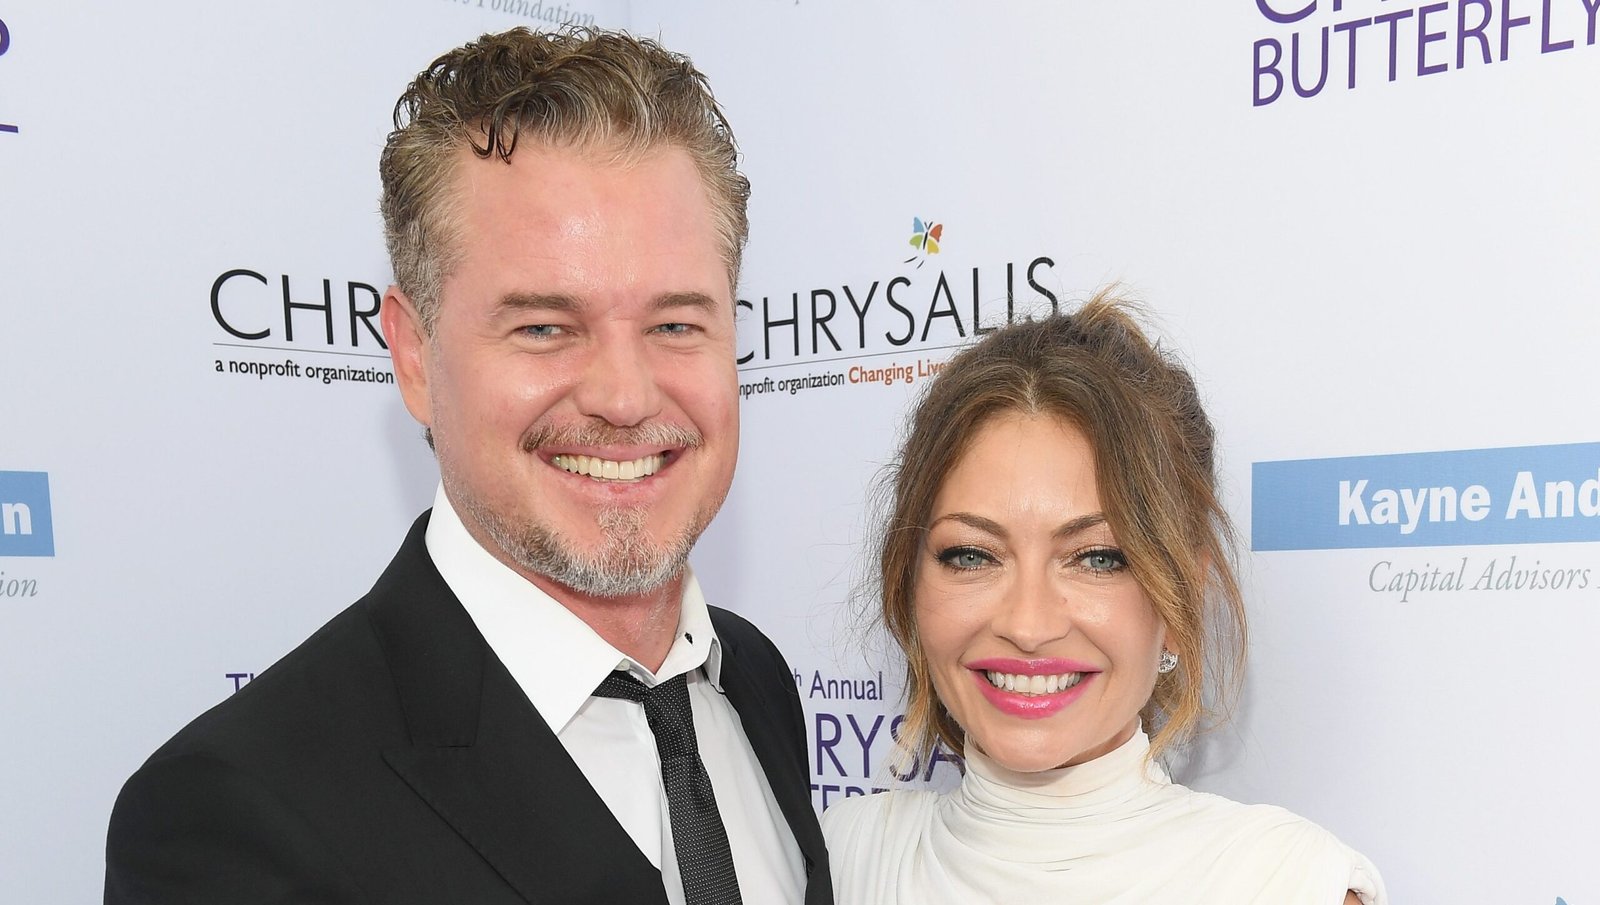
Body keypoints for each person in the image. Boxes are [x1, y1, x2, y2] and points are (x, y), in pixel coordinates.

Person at [105, 28, 830, 905]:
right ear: (414, 355)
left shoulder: (754, 681)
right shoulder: (236, 815)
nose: (625, 396)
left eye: (676, 323)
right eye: (544, 327)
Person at [821, 295, 1385, 904]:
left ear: (1181, 599)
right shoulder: (841, 854)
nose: (1027, 625)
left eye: (1097, 558)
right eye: (972, 555)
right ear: (909, 584)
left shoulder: (1284, 885)